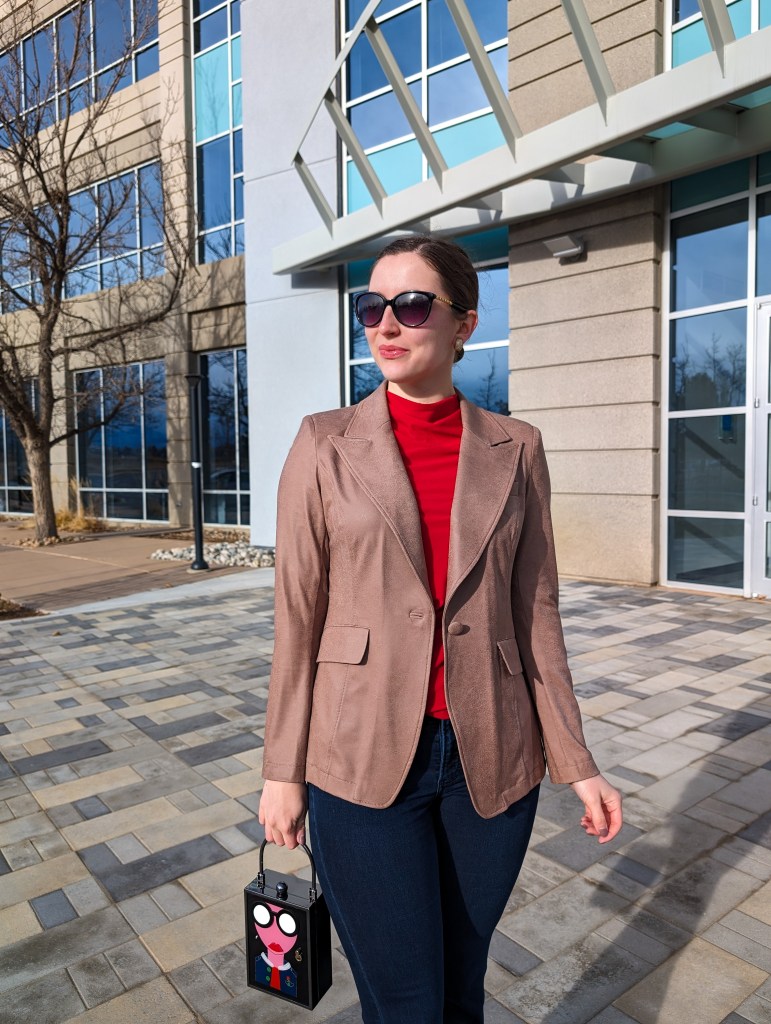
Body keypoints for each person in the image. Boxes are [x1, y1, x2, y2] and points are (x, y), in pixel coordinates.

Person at [258, 234, 623, 1024]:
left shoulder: (516, 447)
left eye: (412, 305)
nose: (386, 324)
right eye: (371, 308)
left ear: (463, 324)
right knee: (407, 1001)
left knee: (460, 987)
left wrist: (577, 760)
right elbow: (298, 616)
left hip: (488, 761)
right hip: (359, 761)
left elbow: (536, 612)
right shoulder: (323, 443)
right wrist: (281, 769)